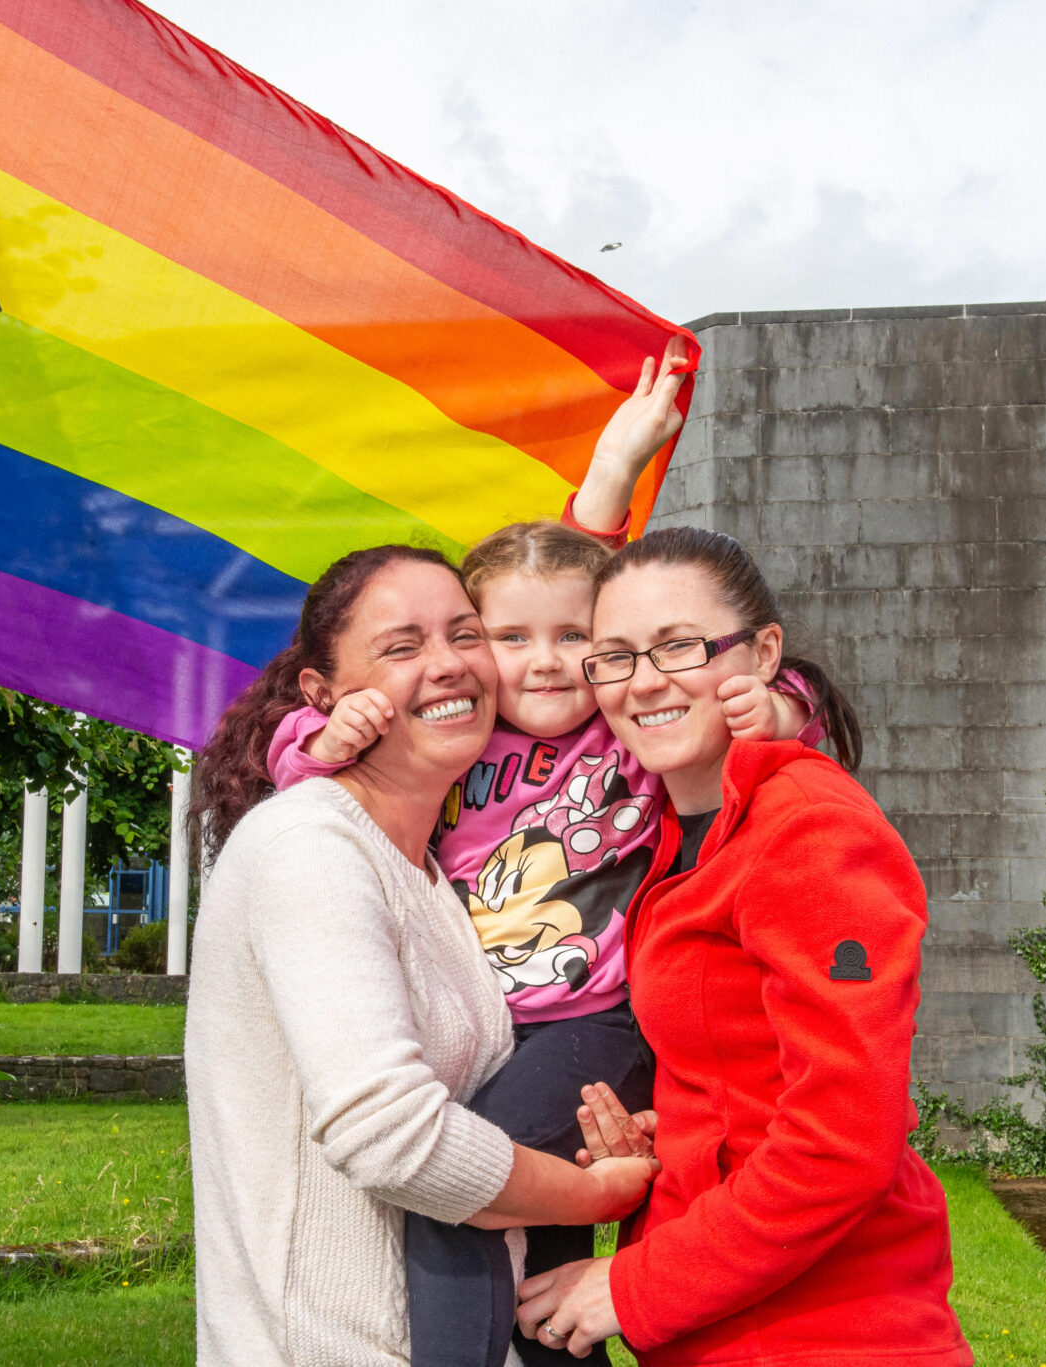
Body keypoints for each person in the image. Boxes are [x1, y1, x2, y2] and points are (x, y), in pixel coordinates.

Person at [259, 356, 819, 1367]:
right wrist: (328, 732)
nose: (549, 659)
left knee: (460, 1195)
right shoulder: (463, 740)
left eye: (574, 640)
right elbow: (300, 757)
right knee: (548, 1283)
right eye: (509, 638)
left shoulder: (616, 725)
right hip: (493, 1024)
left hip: (590, 1022)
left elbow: (603, 595)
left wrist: (769, 709)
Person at [184, 544, 660, 1367]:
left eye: (465, 634)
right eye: (402, 646)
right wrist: (585, 1190)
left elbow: (557, 580)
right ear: (323, 696)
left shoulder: (438, 877)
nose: (446, 665)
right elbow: (391, 1134)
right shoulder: (313, 847)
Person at [514, 526, 972, 1367]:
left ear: (764, 653)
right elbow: (742, 1075)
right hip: (721, 1325)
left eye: (677, 646)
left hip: (827, 1333)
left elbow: (841, 1142)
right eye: (614, 655)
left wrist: (629, 1286)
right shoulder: (669, 837)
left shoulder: (807, 828)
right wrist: (663, 1140)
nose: (644, 681)